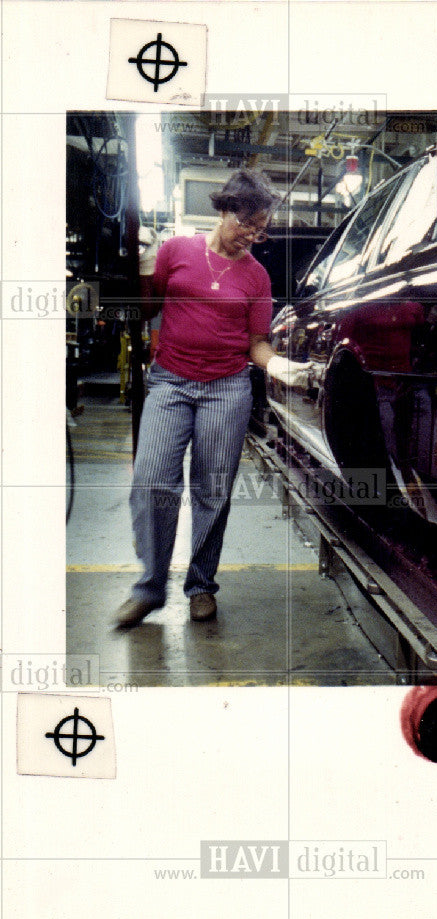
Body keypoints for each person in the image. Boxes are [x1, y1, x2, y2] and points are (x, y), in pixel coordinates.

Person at [116, 169, 312, 627]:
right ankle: (149, 587)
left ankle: (201, 585)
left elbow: (256, 341)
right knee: (152, 481)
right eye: (245, 224)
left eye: (260, 230)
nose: (252, 236)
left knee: (213, 488)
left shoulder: (257, 278)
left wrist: (278, 365)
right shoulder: (175, 251)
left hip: (226, 388)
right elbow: (147, 308)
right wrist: (136, 274)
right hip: (170, 382)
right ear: (223, 211)